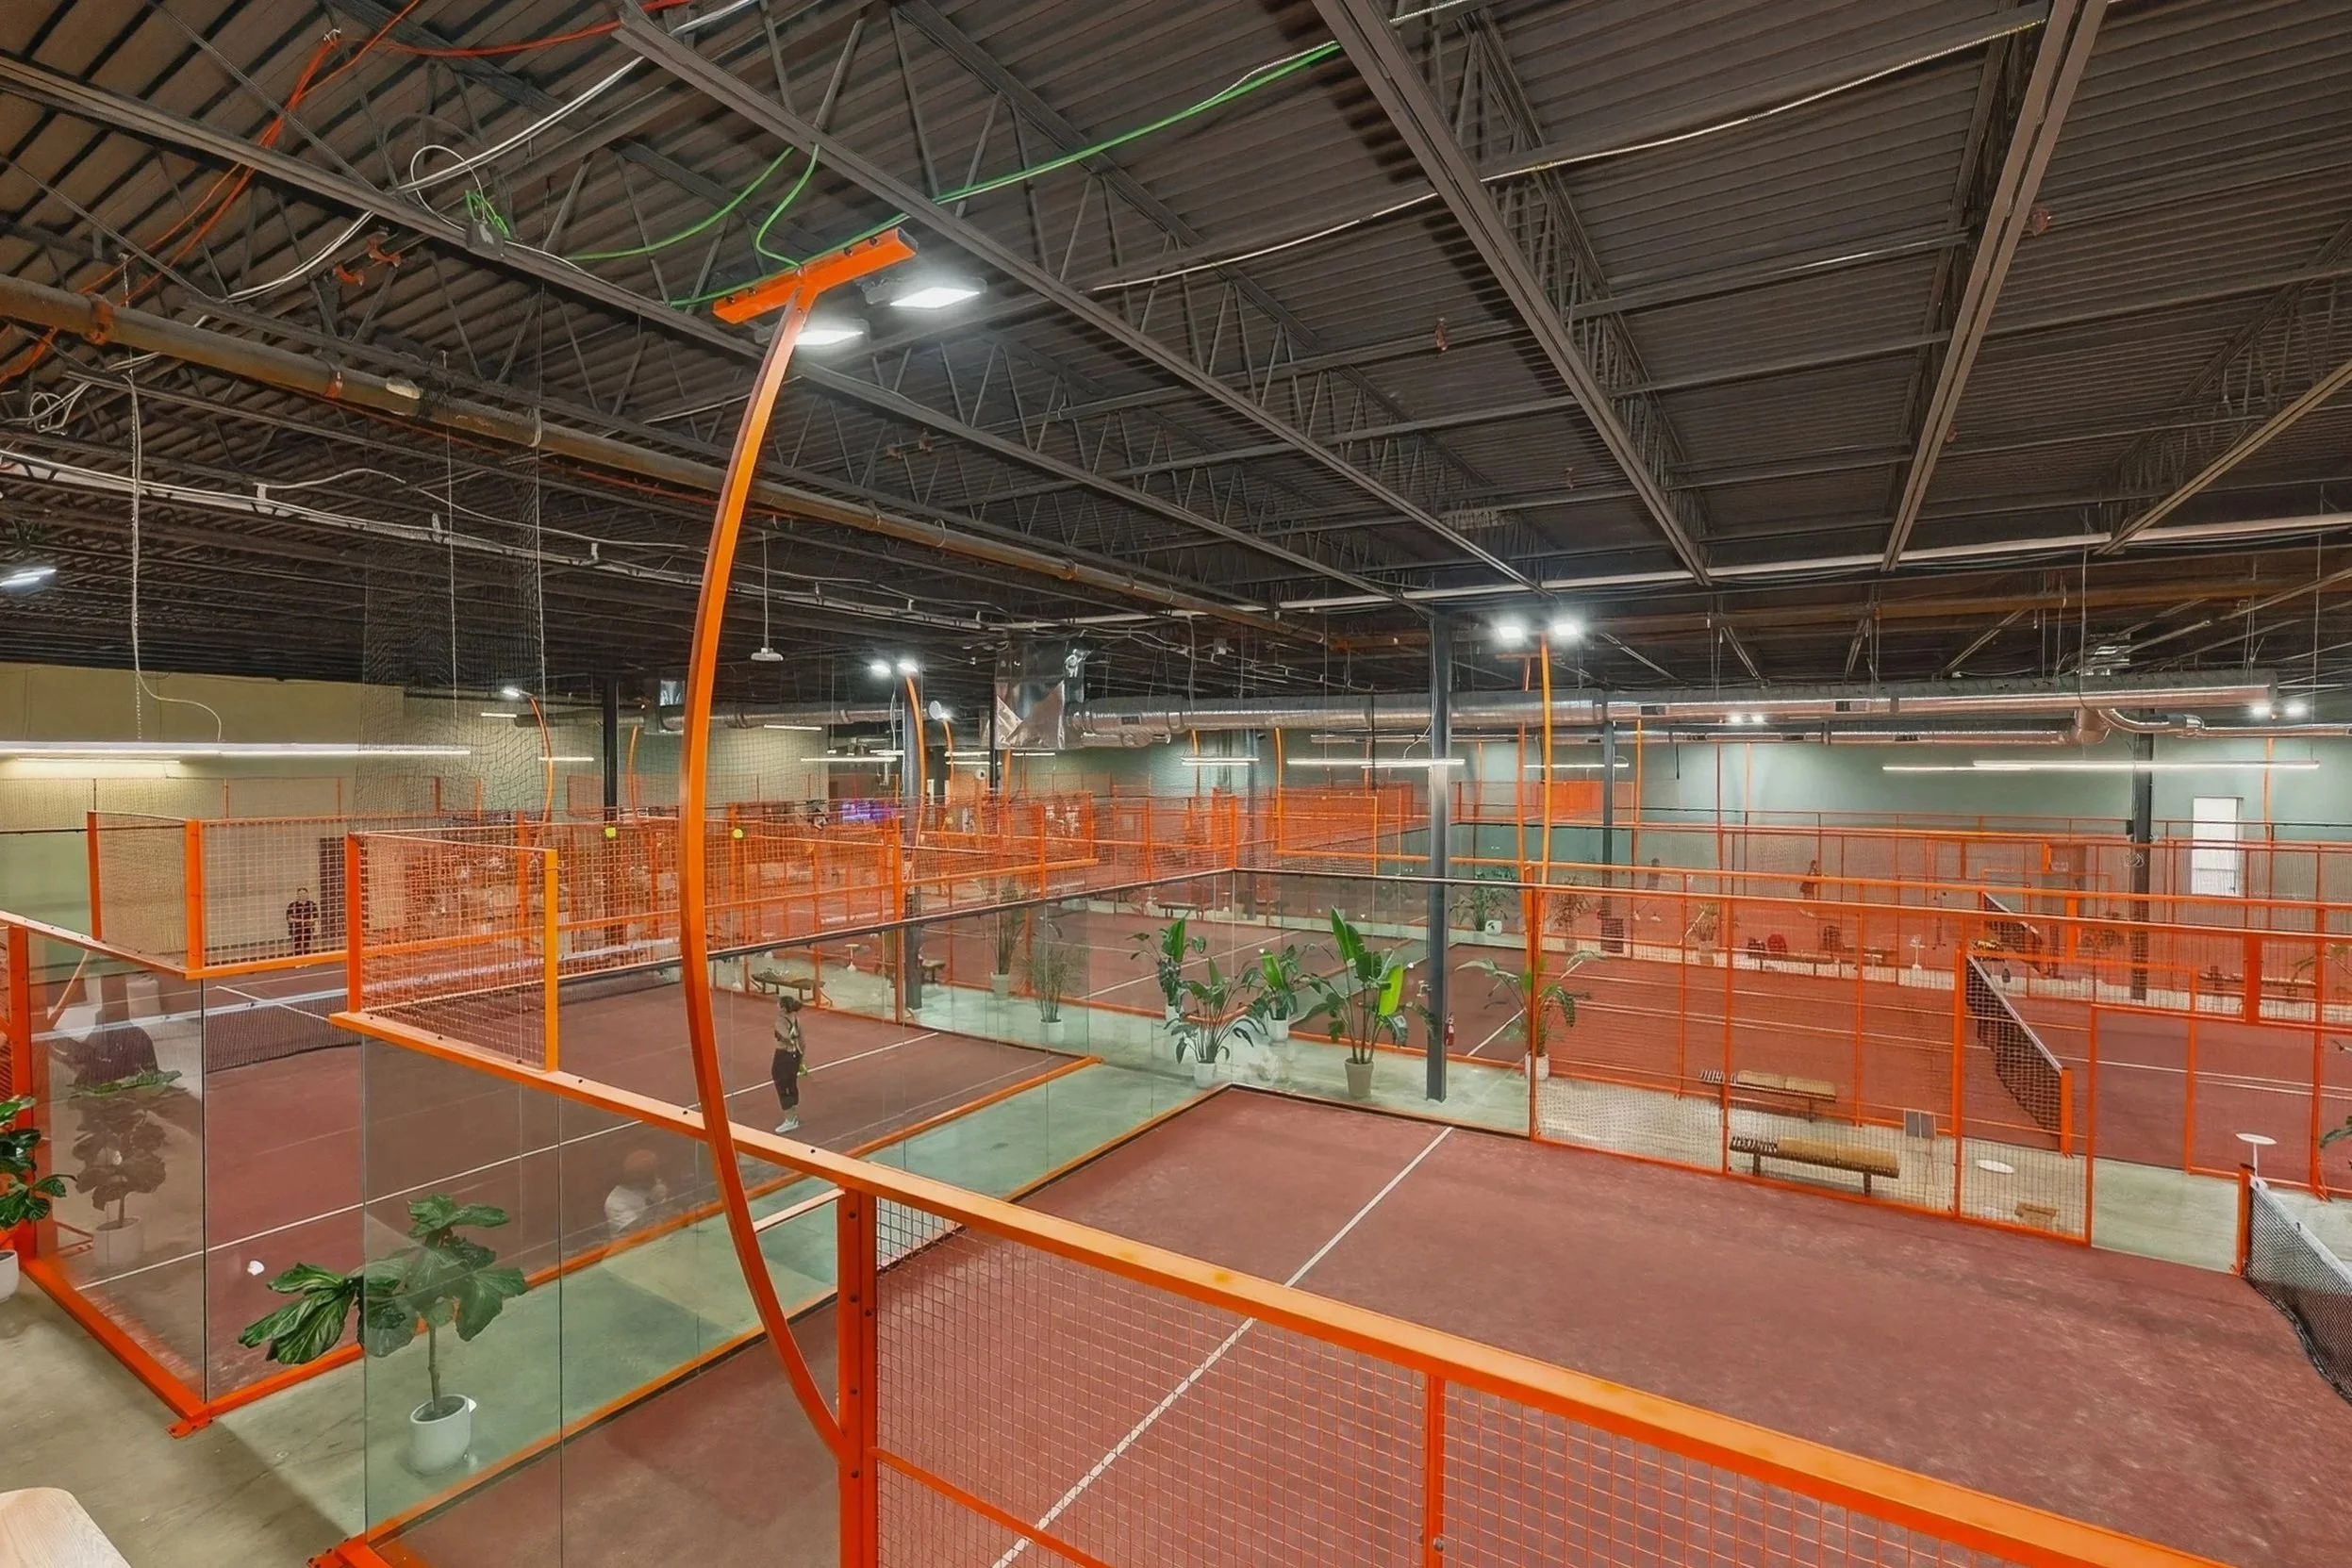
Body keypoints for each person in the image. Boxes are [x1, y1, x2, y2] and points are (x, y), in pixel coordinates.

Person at [603, 1148, 669, 1240]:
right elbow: (638, 1233)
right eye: (645, 1174)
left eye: (652, 1171)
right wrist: (652, 1202)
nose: (653, 1177)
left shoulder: (653, 1183)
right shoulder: (615, 1201)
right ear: (630, 1176)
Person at [772, 992, 807, 1133]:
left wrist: (787, 1041)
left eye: (779, 1003)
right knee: (791, 1084)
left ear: (783, 1008)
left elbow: (785, 1037)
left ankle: (790, 1120)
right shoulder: (796, 1019)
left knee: (782, 1084)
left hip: (783, 1056)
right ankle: (792, 1116)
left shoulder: (780, 1021)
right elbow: (803, 1042)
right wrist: (801, 1058)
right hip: (795, 1056)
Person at [286, 886, 320, 954]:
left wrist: (311, 921)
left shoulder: (312, 904)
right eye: (300, 894)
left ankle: (306, 961)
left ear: (307, 894)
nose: (303, 895)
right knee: (297, 946)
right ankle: (298, 962)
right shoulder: (292, 905)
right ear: (297, 895)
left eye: (304, 893)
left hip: (307, 928)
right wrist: (302, 921)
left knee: (306, 946)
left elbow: (317, 917)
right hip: (296, 929)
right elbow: (289, 919)